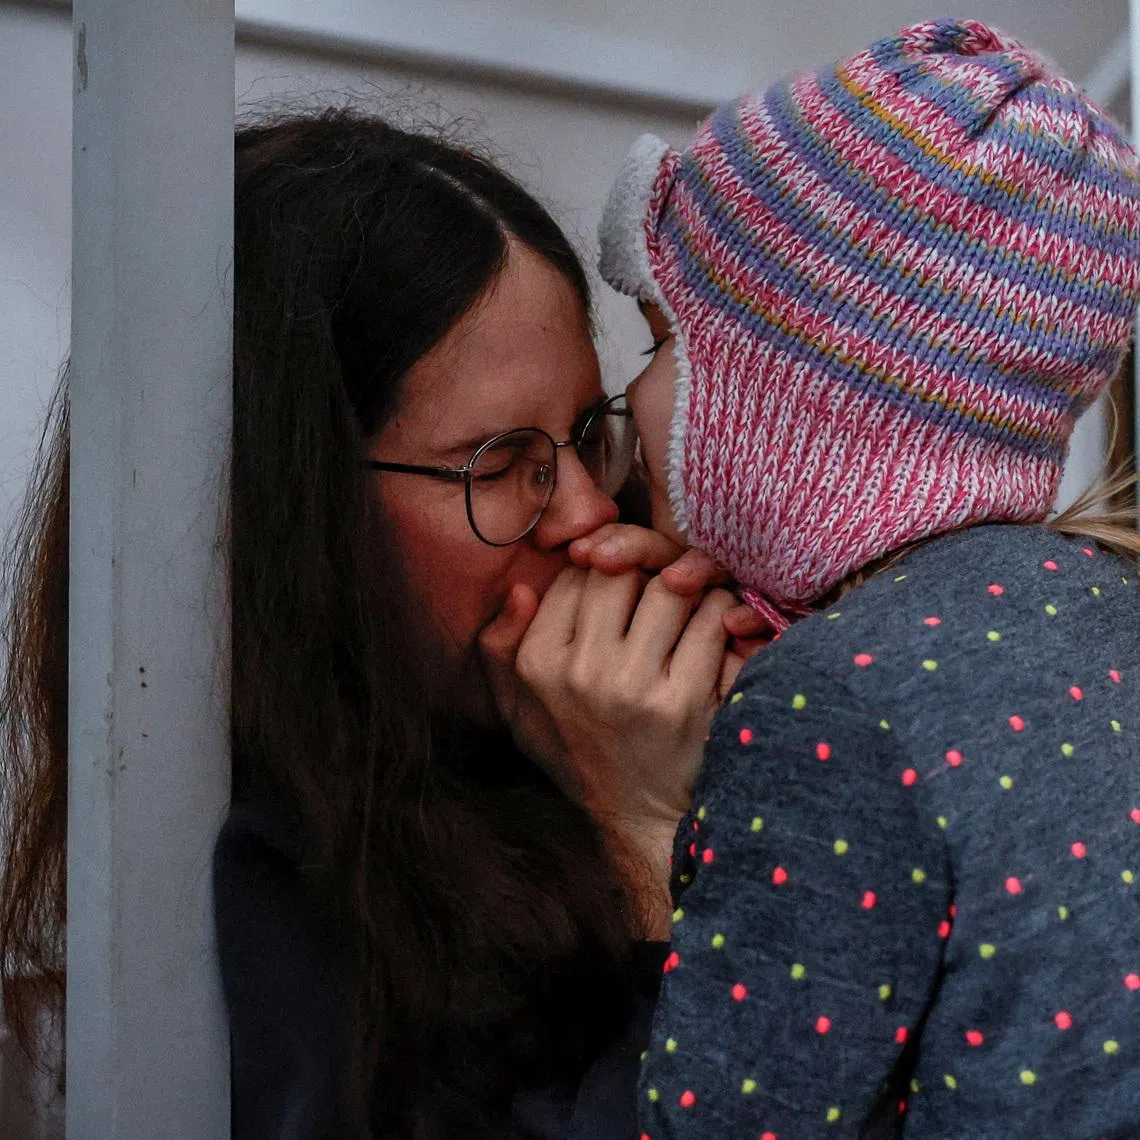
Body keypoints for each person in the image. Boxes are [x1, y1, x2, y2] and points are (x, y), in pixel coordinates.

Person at [0, 108, 741, 1138]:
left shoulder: (563, 740)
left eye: (583, 435)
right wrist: (649, 837)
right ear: (294, 512)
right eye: (500, 463)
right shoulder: (251, 884)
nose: (584, 515)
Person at [587, 19, 1140, 1138]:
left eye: (660, 345)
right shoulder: (1095, 601)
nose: (630, 400)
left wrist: (633, 823)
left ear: (783, 400)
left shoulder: (832, 707)